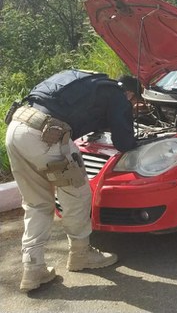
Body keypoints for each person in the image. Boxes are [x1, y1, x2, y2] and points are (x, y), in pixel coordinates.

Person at [4, 69, 139, 292]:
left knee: (37, 204)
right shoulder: (117, 94)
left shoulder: (83, 81)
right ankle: (81, 255)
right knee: (77, 195)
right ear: (130, 94)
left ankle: (32, 267)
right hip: (47, 134)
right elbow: (124, 142)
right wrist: (134, 141)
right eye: (134, 100)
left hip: (17, 127)